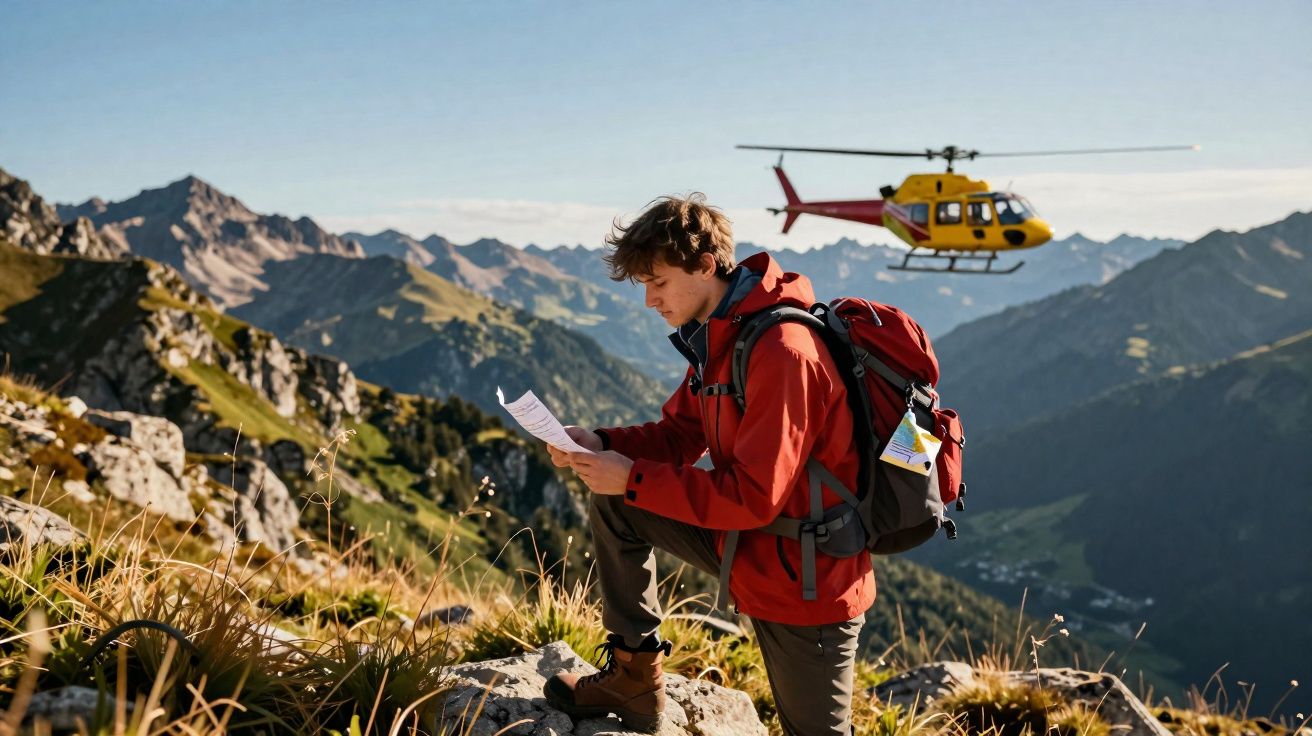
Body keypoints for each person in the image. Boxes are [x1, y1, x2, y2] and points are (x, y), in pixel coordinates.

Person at [542, 194, 874, 735]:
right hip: (748, 544)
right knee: (616, 502)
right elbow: (679, 434)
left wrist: (631, 476)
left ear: (703, 265)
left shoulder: (783, 351)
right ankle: (633, 679)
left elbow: (751, 496)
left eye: (658, 283)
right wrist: (600, 442)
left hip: (804, 576)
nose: (649, 301)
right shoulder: (723, 336)